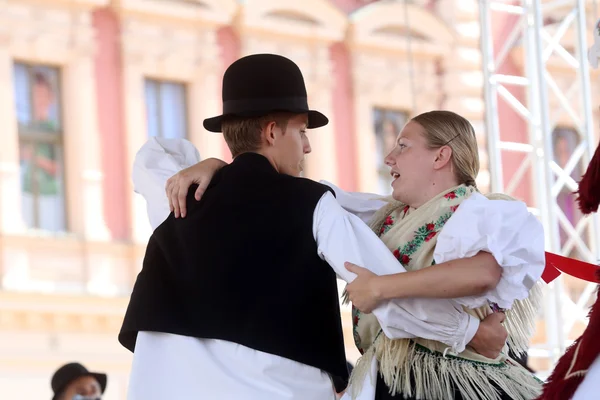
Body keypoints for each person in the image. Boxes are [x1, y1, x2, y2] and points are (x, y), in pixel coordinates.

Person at [121, 54, 508, 400]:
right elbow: (382, 284)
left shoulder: (181, 195)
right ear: (272, 132)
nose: (307, 147)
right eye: (301, 132)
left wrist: (218, 165)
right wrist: (472, 334)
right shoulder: (312, 204)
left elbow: (152, 159)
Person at [166, 110, 545, 400]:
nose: (389, 159)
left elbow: (481, 273)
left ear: (441, 156)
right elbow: (285, 190)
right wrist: (220, 166)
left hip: (454, 381)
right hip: (389, 378)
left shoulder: (481, 211)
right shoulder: (382, 214)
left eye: (403, 146)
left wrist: (383, 287)